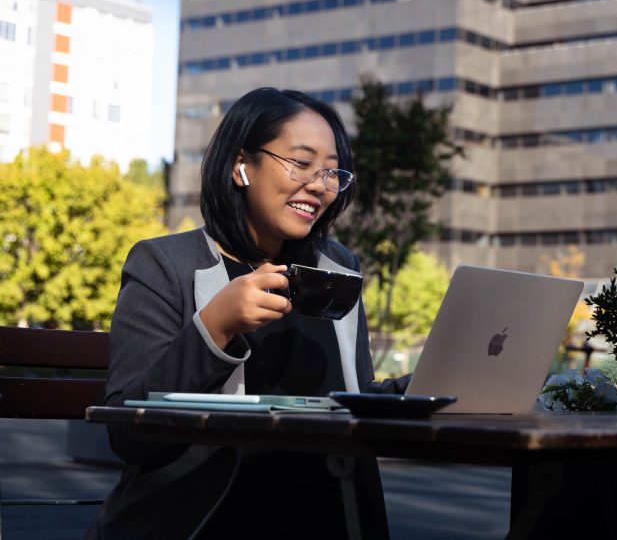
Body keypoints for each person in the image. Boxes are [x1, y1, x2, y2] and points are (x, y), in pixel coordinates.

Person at [87, 87, 397, 539]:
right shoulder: (164, 264)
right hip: (210, 518)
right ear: (241, 166)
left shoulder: (337, 267)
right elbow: (129, 435)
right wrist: (215, 327)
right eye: (301, 162)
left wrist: (426, 388)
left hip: (331, 513)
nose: (318, 184)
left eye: (332, 171)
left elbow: (354, 395)